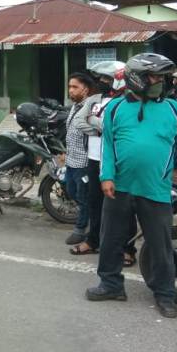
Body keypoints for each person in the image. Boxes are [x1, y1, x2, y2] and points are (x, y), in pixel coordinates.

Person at [86, 53, 177, 319]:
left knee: (160, 244)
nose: (161, 82)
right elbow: (108, 145)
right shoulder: (117, 108)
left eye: (162, 77)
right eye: (155, 76)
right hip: (118, 187)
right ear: (136, 78)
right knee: (111, 239)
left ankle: (165, 294)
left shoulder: (172, 108)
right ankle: (110, 285)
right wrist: (106, 176)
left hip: (156, 189)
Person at [71, 62, 137, 266]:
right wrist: (100, 128)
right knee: (94, 202)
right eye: (101, 78)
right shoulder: (94, 99)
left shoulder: (129, 102)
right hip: (94, 158)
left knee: (124, 206)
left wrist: (100, 125)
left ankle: (128, 248)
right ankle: (93, 240)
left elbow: (116, 127)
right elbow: (80, 121)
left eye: (107, 79)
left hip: (117, 160)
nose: (102, 82)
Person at [62, 73, 95, 246]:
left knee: (83, 196)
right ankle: (87, 220)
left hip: (84, 162)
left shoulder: (90, 107)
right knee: (72, 191)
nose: (71, 90)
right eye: (69, 86)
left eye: (75, 87)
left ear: (85, 89)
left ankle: (80, 229)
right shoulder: (74, 107)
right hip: (71, 160)